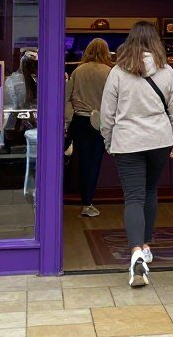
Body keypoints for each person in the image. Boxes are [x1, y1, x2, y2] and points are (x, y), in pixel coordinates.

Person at [100, 21, 173, 287]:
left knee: (133, 197)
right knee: (150, 192)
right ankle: (146, 246)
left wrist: (108, 138)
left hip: (127, 141)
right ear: (155, 43)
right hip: (159, 140)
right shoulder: (167, 71)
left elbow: (107, 113)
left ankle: (137, 251)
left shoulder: (117, 72)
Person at [66, 38, 112, 217]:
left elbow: (67, 97)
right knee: (95, 161)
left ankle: (85, 201)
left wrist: (69, 117)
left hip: (80, 120)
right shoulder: (110, 72)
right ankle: (88, 201)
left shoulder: (78, 70)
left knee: (83, 161)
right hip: (100, 121)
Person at [1, 50, 38, 151]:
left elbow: (10, 108)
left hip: (22, 126)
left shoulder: (13, 80)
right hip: (21, 126)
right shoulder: (13, 80)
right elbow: (10, 108)